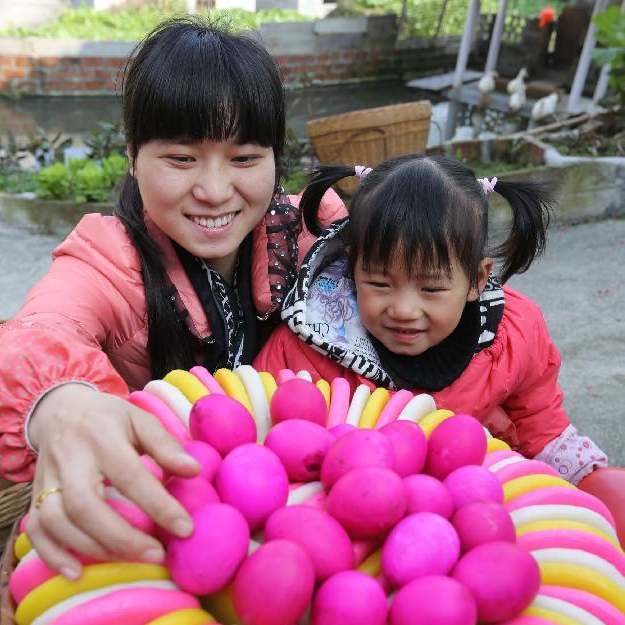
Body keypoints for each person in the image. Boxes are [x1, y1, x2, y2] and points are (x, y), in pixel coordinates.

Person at [0, 19, 346, 579]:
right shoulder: (108, 258)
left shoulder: (315, 231)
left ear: (276, 157)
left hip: (310, 499)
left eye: (245, 158)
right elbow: (36, 333)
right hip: (172, 512)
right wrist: (60, 403)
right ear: (133, 156)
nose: (214, 189)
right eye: (181, 158)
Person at [254, 155, 609, 483]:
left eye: (432, 289)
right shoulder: (309, 345)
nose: (404, 310)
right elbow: (264, 421)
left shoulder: (512, 334)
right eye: (379, 283)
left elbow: (539, 423)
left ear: (476, 280)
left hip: (475, 489)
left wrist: (587, 478)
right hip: (353, 492)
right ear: (352, 266)